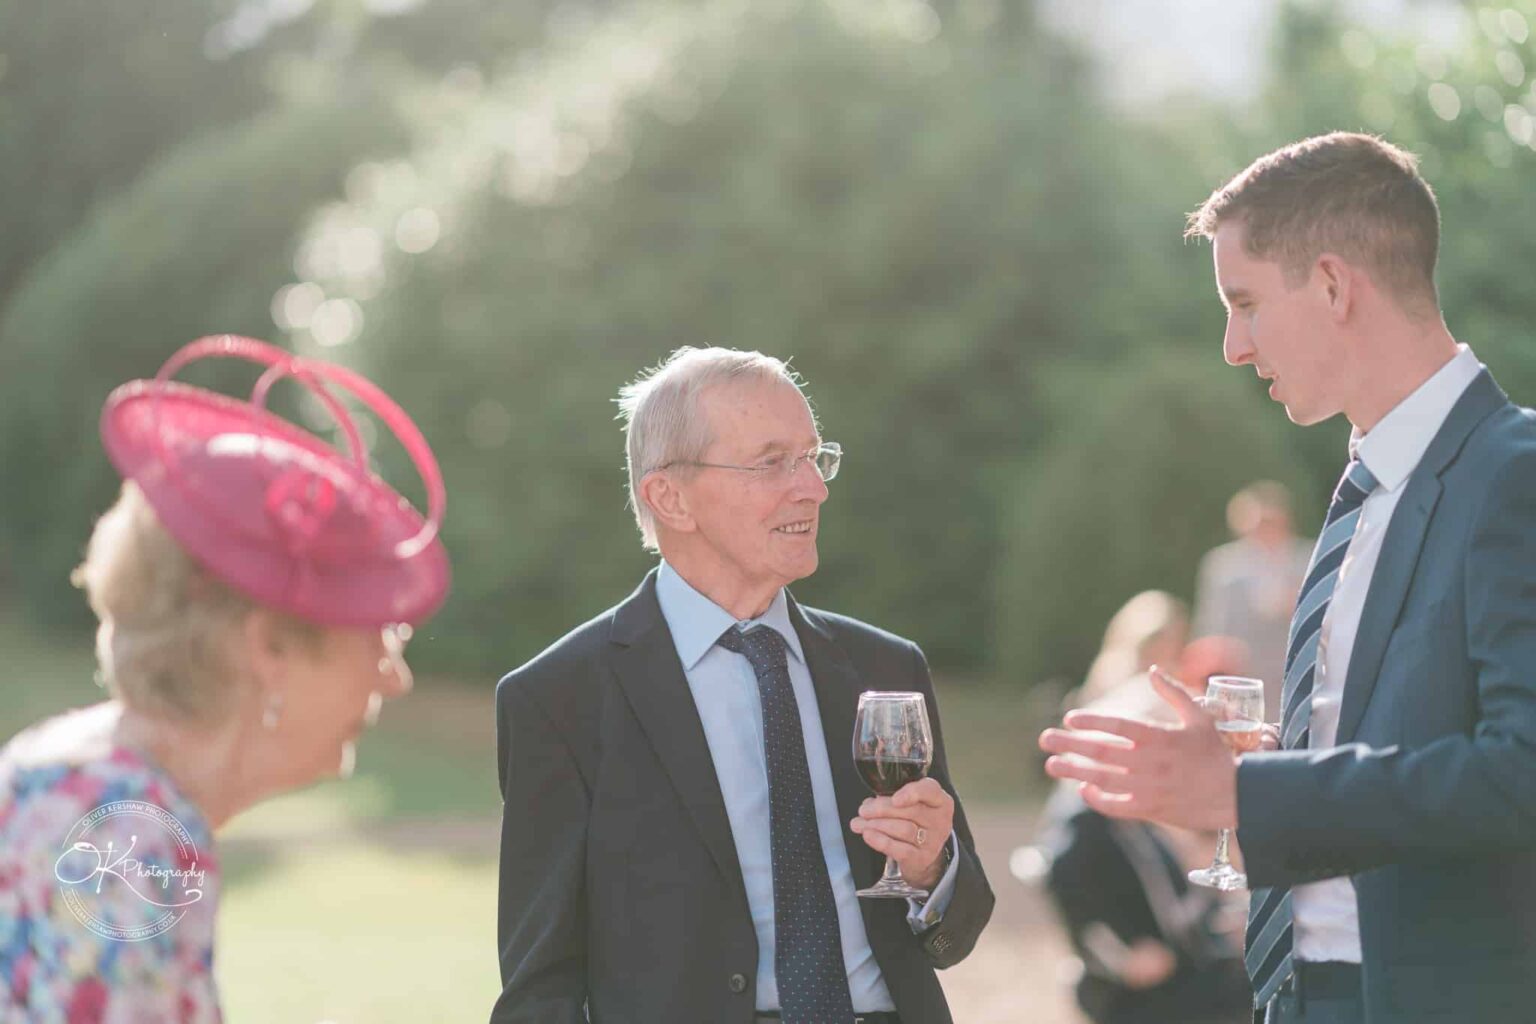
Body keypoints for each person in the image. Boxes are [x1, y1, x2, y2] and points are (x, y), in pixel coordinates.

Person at [1039, 131, 1536, 1024]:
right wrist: (1258, 775)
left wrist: (1255, 794)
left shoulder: (1516, 475)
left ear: (1336, 285)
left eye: (1245, 303)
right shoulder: (1365, 490)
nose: (1232, 346)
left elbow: (1523, 771)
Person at [490, 347, 993, 1023]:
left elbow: (956, 924)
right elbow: (538, 988)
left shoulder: (886, 669)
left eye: (815, 457)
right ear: (669, 497)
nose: (812, 487)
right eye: (771, 462)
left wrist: (933, 868)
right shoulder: (558, 699)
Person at [0, 335, 450, 1020]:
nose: (394, 679)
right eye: (377, 637)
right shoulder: (133, 845)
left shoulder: (55, 766)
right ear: (268, 645)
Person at [1035, 592, 1251, 1024]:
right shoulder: (1088, 823)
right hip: (1145, 989)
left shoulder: (1143, 830)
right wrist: (1120, 956)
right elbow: (1060, 872)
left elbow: (1180, 900)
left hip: (1188, 961)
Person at [1192, 482, 1312, 721]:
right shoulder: (1223, 567)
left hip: (1297, 677)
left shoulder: (1309, 559)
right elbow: (1209, 628)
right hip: (1242, 681)